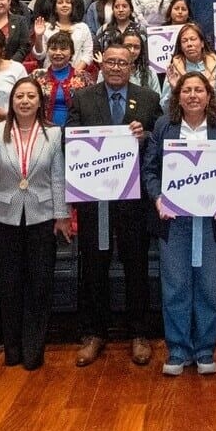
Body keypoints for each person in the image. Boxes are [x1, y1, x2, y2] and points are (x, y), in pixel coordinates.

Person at [67, 44, 164, 367]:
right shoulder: (83, 98)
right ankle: (95, 333)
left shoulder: (148, 98)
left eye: (123, 62)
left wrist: (146, 136)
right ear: (101, 64)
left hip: (133, 202)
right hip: (95, 200)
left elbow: (162, 141)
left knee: (136, 267)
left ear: (132, 65)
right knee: (94, 267)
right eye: (110, 62)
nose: (116, 67)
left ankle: (139, 333)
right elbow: (70, 139)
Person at [142, 72, 216, 376]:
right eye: (187, 90)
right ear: (178, 96)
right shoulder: (164, 127)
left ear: (209, 96)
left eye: (199, 90)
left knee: (209, 287)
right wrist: (158, 199)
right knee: (175, 287)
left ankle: (205, 349)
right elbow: (150, 170)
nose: (193, 95)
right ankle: (178, 350)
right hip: (175, 221)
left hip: (212, 221)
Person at [0, 78, 71, 370]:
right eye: (19, 96)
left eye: (30, 96)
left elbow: (59, 177)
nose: (24, 101)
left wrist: (62, 214)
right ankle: (12, 350)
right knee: (9, 285)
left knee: (39, 285)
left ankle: (34, 350)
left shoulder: (53, 133)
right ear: (12, 101)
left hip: (42, 216)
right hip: (5, 216)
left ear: (40, 101)